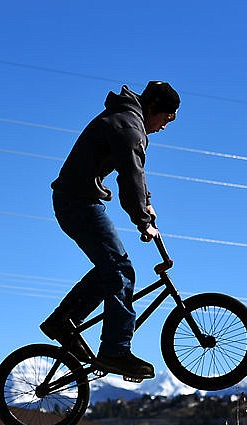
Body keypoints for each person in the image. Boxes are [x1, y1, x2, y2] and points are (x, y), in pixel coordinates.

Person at [40, 80, 180, 378]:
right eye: (166, 119)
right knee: (121, 271)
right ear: (153, 108)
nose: (165, 127)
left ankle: (64, 321)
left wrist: (148, 204)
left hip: (78, 201)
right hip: (78, 203)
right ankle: (115, 350)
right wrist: (143, 221)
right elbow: (129, 179)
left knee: (111, 269)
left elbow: (136, 175)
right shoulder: (129, 126)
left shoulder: (126, 120)